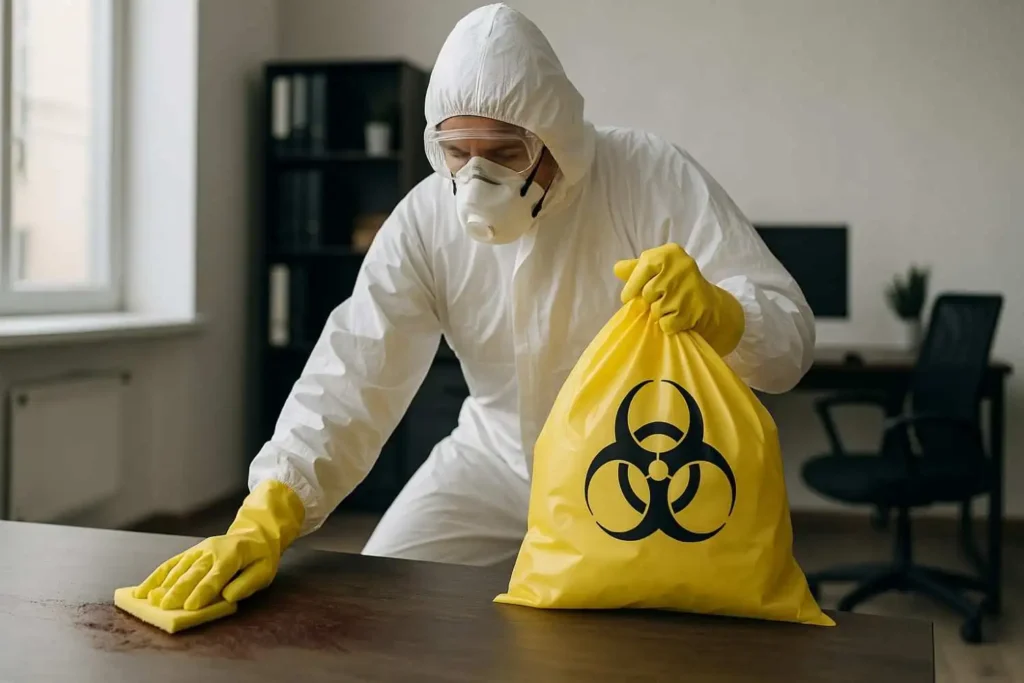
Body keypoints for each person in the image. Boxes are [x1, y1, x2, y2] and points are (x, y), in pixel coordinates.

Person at [132, 3, 814, 613]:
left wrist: (722, 312)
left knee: (665, 640)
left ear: (559, 142)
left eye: (506, 153)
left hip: (635, 469)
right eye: (458, 152)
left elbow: (787, 342)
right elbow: (355, 368)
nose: (478, 179)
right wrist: (269, 509)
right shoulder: (428, 219)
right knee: (390, 601)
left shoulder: (645, 174)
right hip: (494, 463)